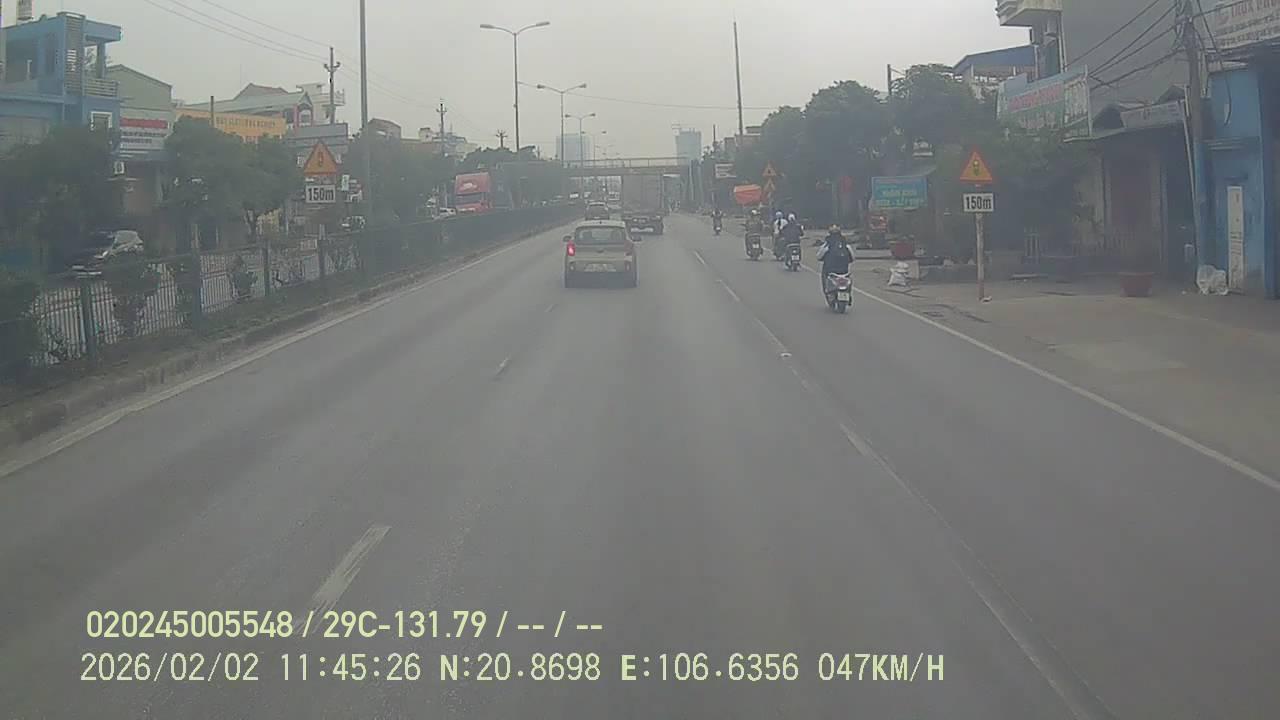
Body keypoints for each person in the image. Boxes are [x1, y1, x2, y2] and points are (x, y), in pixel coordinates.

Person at [816, 225, 854, 294]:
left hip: (830, 271)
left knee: (824, 275)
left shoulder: (827, 244)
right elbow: (852, 258)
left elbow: (819, 256)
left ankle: (827, 291)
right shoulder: (845, 244)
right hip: (844, 271)